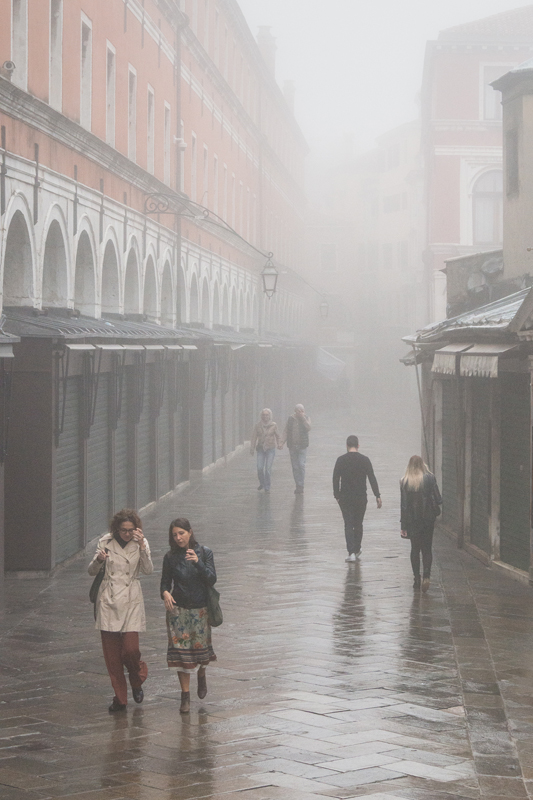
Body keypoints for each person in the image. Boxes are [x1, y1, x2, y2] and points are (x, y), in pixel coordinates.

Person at [88, 509, 153, 712]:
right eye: (123, 530)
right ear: (116, 529)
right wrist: (99, 560)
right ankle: (120, 699)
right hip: (108, 600)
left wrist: (142, 547)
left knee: (131, 649)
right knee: (112, 656)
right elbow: (91, 571)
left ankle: (136, 678)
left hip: (132, 599)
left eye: (130, 530)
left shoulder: (140, 542)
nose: (127, 534)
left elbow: (148, 569)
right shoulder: (105, 542)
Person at [160, 518, 217, 714]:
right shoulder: (170, 557)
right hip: (178, 611)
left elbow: (211, 578)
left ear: (190, 532)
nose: (178, 538)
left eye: (181, 533)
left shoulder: (205, 552)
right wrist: (165, 593)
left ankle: (202, 672)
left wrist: (198, 563)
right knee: (181, 656)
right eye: (175, 535)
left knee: (200, 652)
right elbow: (164, 583)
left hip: (200, 610)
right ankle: (185, 696)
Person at [333, 435, 382, 562]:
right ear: (358, 446)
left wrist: (337, 495)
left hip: (345, 497)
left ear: (347, 445)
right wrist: (377, 495)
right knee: (358, 523)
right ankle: (357, 548)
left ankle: (351, 552)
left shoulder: (341, 460)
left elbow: (335, 478)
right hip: (361, 497)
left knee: (348, 524)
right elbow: (372, 478)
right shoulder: (365, 460)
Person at [400, 455, 442, 592]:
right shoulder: (430, 478)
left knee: (414, 549)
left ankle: (416, 578)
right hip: (428, 520)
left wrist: (403, 526)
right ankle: (427, 577)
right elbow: (438, 499)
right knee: (427, 549)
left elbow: (404, 506)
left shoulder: (405, 481)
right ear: (422, 464)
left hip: (412, 521)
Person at [280, 404, 311, 494]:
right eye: (298, 410)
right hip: (292, 446)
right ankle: (298, 485)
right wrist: (282, 442)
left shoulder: (306, 418)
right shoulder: (291, 419)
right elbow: (286, 430)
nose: (300, 412)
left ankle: (301, 485)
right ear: (295, 411)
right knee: (295, 467)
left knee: (301, 465)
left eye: (302, 410)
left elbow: (309, 428)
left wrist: (303, 418)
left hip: (302, 446)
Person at [250, 408, 281, 492]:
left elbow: (278, 436)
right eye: (263, 415)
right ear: (261, 416)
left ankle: (267, 486)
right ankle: (262, 483)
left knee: (267, 468)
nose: (265, 416)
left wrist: (279, 444)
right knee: (259, 468)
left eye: (267, 415)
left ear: (269, 416)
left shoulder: (274, 425)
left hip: (270, 448)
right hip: (260, 449)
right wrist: (252, 448)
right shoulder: (257, 425)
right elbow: (254, 437)